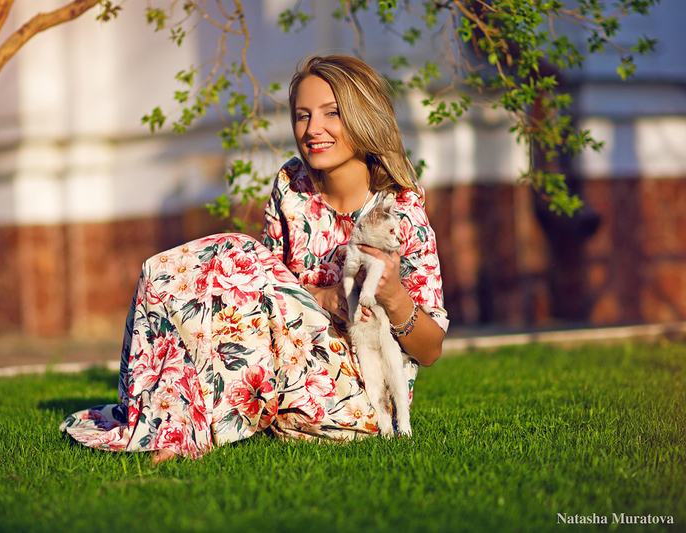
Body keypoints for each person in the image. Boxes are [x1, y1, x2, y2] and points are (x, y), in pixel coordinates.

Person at [59, 55, 448, 463]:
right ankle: (171, 421)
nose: (312, 129)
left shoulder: (400, 210)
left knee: (238, 253)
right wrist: (322, 297)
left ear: (363, 116)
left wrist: (394, 296)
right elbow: (260, 297)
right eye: (302, 115)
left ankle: (191, 424)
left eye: (331, 113)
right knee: (191, 268)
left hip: (359, 402)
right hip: (291, 372)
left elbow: (431, 350)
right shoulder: (293, 187)